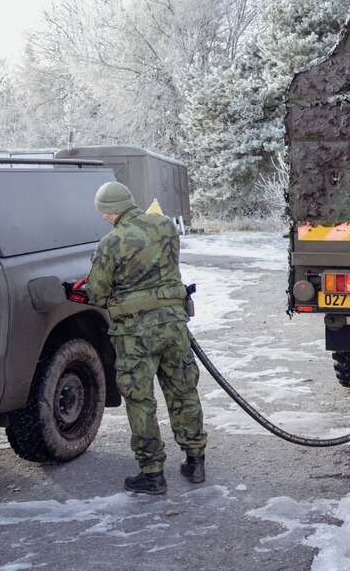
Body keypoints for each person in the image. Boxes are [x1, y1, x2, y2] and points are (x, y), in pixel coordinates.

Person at [87, 181, 207, 495]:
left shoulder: (111, 242)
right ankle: (195, 461)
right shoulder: (165, 225)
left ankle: (152, 473)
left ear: (110, 211)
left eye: (103, 213)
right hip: (174, 325)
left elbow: (97, 293)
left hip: (135, 334)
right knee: (183, 391)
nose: (104, 218)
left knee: (140, 400)